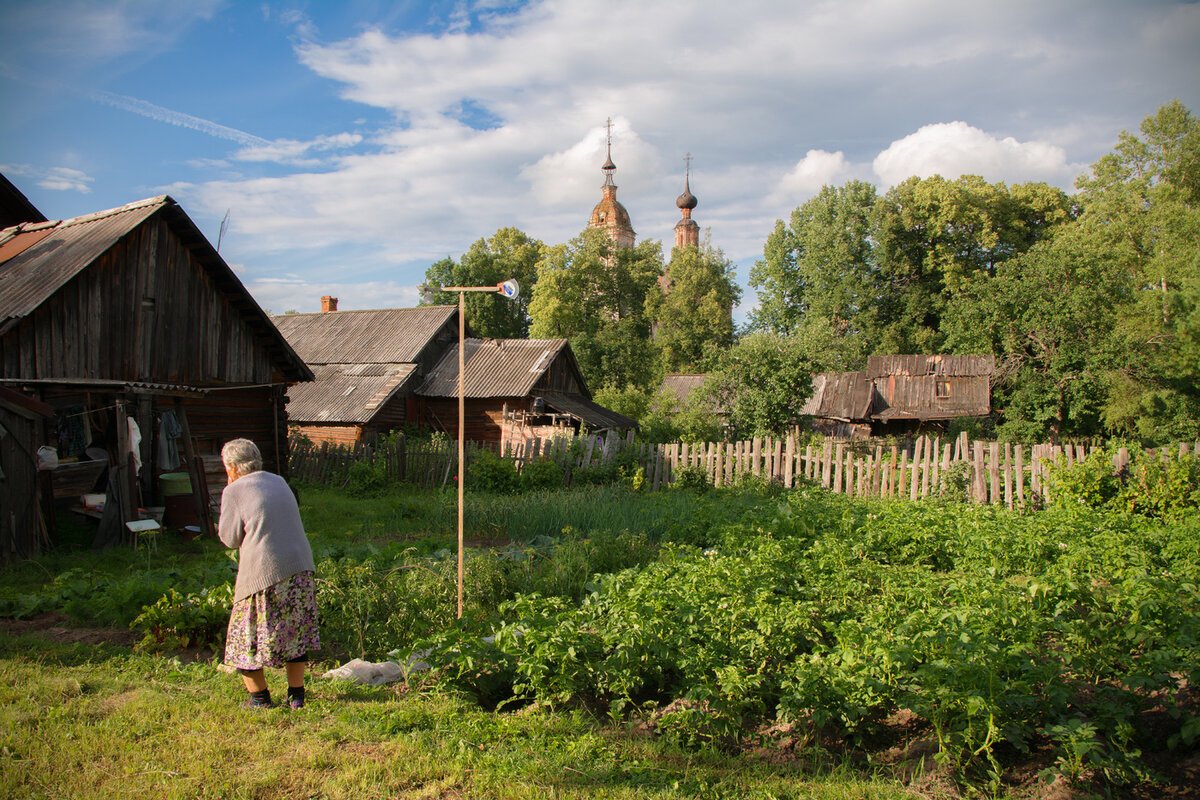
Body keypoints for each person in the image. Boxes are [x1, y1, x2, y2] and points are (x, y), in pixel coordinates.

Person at [218, 438, 319, 709]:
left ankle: (260, 700)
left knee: (244, 638)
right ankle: (297, 697)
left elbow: (229, 538)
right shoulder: (279, 481)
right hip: (300, 566)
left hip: (264, 572)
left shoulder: (234, 490)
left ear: (231, 467)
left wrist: (230, 490)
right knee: (294, 632)